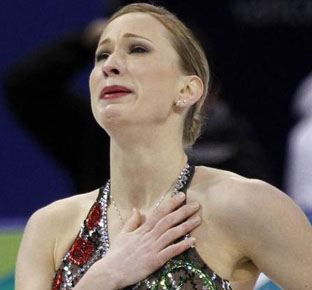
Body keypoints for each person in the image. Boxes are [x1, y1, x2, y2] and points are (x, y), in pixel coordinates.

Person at [15, 3, 312, 290]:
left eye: (138, 49)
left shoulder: (244, 204)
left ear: (187, 89)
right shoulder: (50, 227)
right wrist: (102, 278)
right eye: (102, 54)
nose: (111, 65)